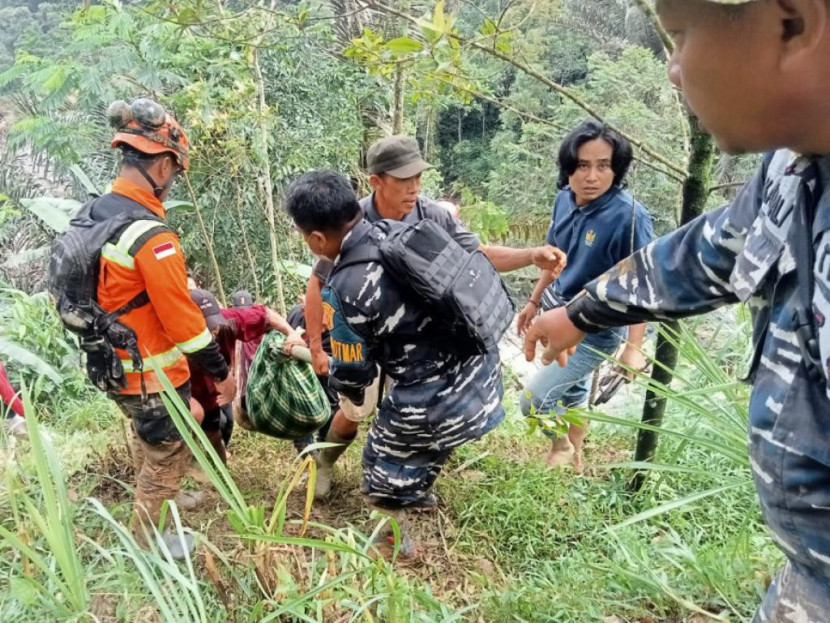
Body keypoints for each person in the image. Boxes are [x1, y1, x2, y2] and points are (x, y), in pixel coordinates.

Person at [523, 1, 830, 619]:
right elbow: (708, 252)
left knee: (542, 397)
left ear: (795, 24)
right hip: (810, 576)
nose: (673, 69)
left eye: (683, 35)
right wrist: (580, 310)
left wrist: (627, 343)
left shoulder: (628, 211)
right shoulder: (793, 167)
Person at [305, 135, 567, 498]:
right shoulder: (349, 219)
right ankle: (325, 465)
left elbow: (477, 258)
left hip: (420, 345)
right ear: (377, 181)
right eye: (403, 179)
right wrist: (318, 347)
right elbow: (320, 286)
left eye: (418, 177)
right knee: (353, 410)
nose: (413, 188)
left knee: (416, 416)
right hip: (365, 333)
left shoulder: (432, 215)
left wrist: (529, 256)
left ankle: (408, 481)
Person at [285, 170, 506, 553]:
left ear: (317, 239)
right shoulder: (396, 229)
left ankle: (392, 541)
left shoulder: (347, 288)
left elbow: (356, 377)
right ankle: (416, 491)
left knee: (378, 460)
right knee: (414, 433)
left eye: (305, 237)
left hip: (441, 402)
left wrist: (333, 373)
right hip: (484, 380)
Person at [96, 98, 235, 556]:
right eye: (174, 170)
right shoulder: (151, 235)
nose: (172, 179)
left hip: (112, 366)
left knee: (147, 436)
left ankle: (157, 513)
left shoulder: (97, 214)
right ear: (161, 163)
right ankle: (149, 545)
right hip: (151, 369)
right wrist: (218, 370)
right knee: (164, 455)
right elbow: (184, 322)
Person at [517, 120, 653, 472]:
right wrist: (533, 301)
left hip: (596, 327)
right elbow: (554, 257)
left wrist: (634, 348)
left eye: (603, 166)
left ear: (616, 169)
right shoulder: (564, 200)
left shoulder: (630, 216)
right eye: (582, 166)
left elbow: (642, 283)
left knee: (533, 402)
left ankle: (560, 445)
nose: (591, 177)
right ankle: (576, 461)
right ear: (568, 168)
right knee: (573, 392)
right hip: (556, 313)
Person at [187, 288, 304, 461]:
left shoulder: (230, 321)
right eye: (207, 325)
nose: (215, 330)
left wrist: (292, 333)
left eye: (215, 323)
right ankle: (185, 467)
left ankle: (221, 474)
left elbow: (266, 315)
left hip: (211, 392)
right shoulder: (173, 334)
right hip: (182, 390)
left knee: (214, 434)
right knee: (192, 418)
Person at [0, 362, 26, 438]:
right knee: (44, 440)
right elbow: (8, 396)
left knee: (8, 447)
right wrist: (25, 412)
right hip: (6, 417)